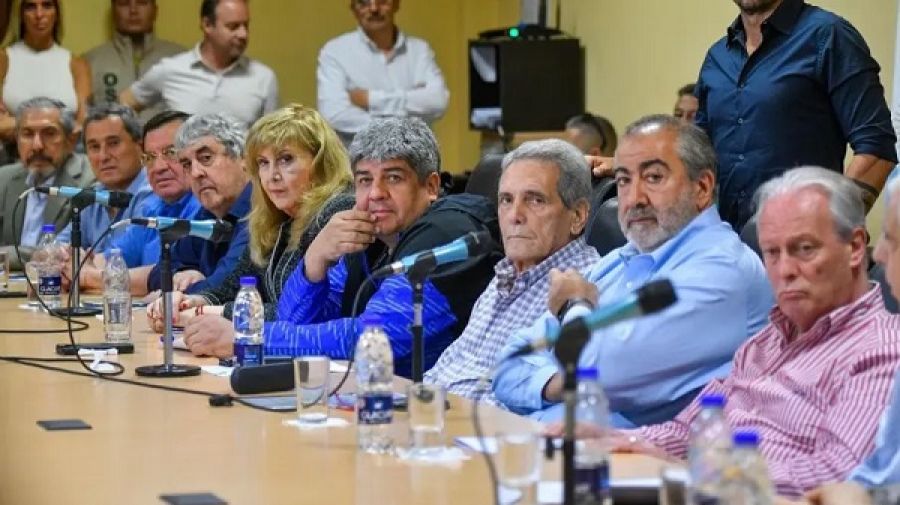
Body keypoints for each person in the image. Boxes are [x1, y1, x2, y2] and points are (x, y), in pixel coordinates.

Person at [597, 166, 900, 498]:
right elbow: (688, 429)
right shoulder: (765, 340)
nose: (785, 270)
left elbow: (837, 475)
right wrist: (616, 440)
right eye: (772, 252)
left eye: (804, 249)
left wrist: (706, 471)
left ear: (854, 248)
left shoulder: (881, 350)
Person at [492, 114, 773, 427]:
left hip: (641, 455)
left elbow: (603, 375)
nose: (634, 199)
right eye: (624, 180)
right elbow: (510, 361)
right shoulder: (619, 259)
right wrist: (569, 383)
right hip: (548, 441)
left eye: (653, 177)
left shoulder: (721, 270)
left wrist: (574, 306)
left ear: (702, 188)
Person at [180, 117, 502, 378]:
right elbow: (297, 323)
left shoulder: (446, 233)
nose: (375, 194)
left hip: (440, 413)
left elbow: (375, 339)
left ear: (431, 186)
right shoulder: (369, 233)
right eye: (364, 180)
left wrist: (248, 339)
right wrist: (314, 261)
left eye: (393, 178)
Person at [146, 104, 355, 331]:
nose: (272, 176)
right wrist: (192, 301)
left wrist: (207, 312)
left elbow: (312, 313)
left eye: (285, 159)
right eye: (263, 163)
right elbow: (231, 287)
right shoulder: (276, 221)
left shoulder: (338, 211)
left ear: (320, 162)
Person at [423, 138, 600, 401]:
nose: (514, 215)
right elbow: (447, 369)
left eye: (535, 200)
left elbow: (520, 402)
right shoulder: (506, 273)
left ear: (578, 216)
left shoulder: (585, 286)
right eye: (506, 200)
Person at [696, 0, 897, 230]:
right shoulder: (716, 57)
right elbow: (697, 159)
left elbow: (876, 151)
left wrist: (830, 228)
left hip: (800, 240)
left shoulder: (828, 36)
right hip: (723, 242)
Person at [71, 110, 201, 294]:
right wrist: (75, 265)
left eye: (171, 153)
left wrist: (86, 277)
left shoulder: (205, 208)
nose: (158, 167)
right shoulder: (154, 208)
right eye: (150, 157)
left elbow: (164, 276)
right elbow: (113, 259)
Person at [119, 0, 278, 130]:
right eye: (233, 26)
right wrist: (145, 143)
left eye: (246, 26)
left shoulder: (263, 78)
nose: (243, 34)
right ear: (207, 25)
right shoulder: (171, 70)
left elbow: (272, 140)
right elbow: (123, 104)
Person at [317, 0, 449, 146]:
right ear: (353, 9)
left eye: (382, 1)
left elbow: (438, 101)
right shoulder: (335, 52)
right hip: (358, 159)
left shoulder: (419, 50)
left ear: (396, 4)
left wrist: (371, 100)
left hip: (416, 159)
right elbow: (334, 114)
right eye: (363, 3)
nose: (374, 8)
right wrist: (408, 119)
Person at [0, 97, 93, 269]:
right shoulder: (4, 178)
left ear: (71, 140)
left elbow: (61, 253)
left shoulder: (89, 181)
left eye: (49, 134)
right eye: (27, 134)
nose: (37, 146)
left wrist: (9, 255)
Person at [56, 103, 153, 253]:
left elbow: (130, 256)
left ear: (141, 146)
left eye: (113, 143)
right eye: (94, 147)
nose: (103, 156)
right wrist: (58, 254)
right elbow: (56, 248)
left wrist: (87, 261)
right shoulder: (94, 196)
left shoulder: (153, 192)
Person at [0, 0, 91, 147]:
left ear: (57, 14)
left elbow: (83, 126)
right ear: (21, 15)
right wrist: (57, 128)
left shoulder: (77, 64)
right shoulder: (4, 59)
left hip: (66, 154)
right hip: (12, 154)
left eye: (47, 6)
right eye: (31, 7)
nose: (39, 14)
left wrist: (18, 125)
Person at [83, 0, 184, 123]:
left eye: (142, 3)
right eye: (124, 3)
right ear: (114, 11)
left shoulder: (180, 59)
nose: (133, 11)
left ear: (155, 11)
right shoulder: (90, 62)